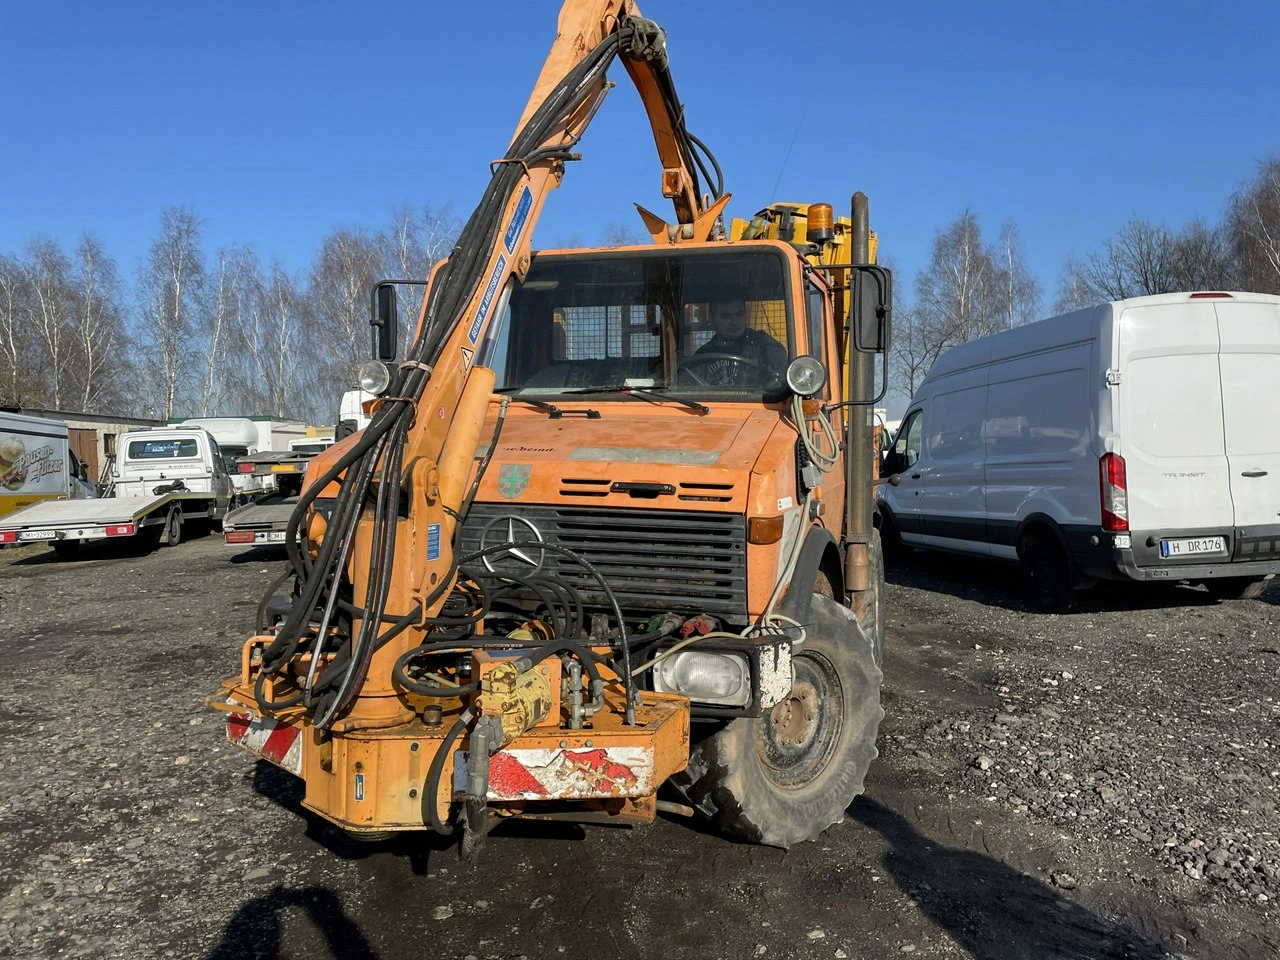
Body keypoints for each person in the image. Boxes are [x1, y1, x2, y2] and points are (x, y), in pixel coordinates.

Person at [692, 298, 788, 383]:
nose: (734, 322)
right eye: (726, 316)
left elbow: (783, 381)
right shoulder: (703, 356)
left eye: (739, 314)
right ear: (713, 319)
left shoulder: (763, 345)